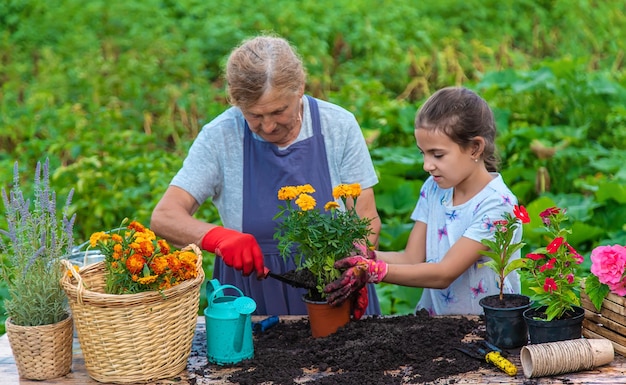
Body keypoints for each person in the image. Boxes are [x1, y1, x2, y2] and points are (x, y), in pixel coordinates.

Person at [150, 34, 382, 316]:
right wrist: (219, 238)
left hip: (332, 291)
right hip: (251, 296)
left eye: (278, 111)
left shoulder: (338, 126)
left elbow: (366, 217)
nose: (269, 126)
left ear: (300, 89)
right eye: (254, 115)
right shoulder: (221, 136)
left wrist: (359, 264)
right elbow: (164, 216)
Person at [324, 86, 522, 315]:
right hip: (436, 325)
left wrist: (374, 271)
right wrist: (366, 258)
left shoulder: (498, 204)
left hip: (485, 328)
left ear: (475, 148)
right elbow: (411, 258)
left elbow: (444, 274)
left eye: (437, 155)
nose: (427, 165)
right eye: (423, 153)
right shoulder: (435, 188)